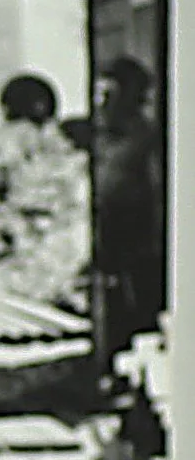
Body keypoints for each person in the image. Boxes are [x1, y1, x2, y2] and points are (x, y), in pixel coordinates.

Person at [91, 56, 165, 383]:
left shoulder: (146, 137)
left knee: (141, 303)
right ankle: (111, 367)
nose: (102, 102)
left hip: (139, 230)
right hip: (109, 227)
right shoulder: (104, 135)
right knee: (111, 298)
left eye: (111, 94)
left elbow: (156, 189)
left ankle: (136, 373)